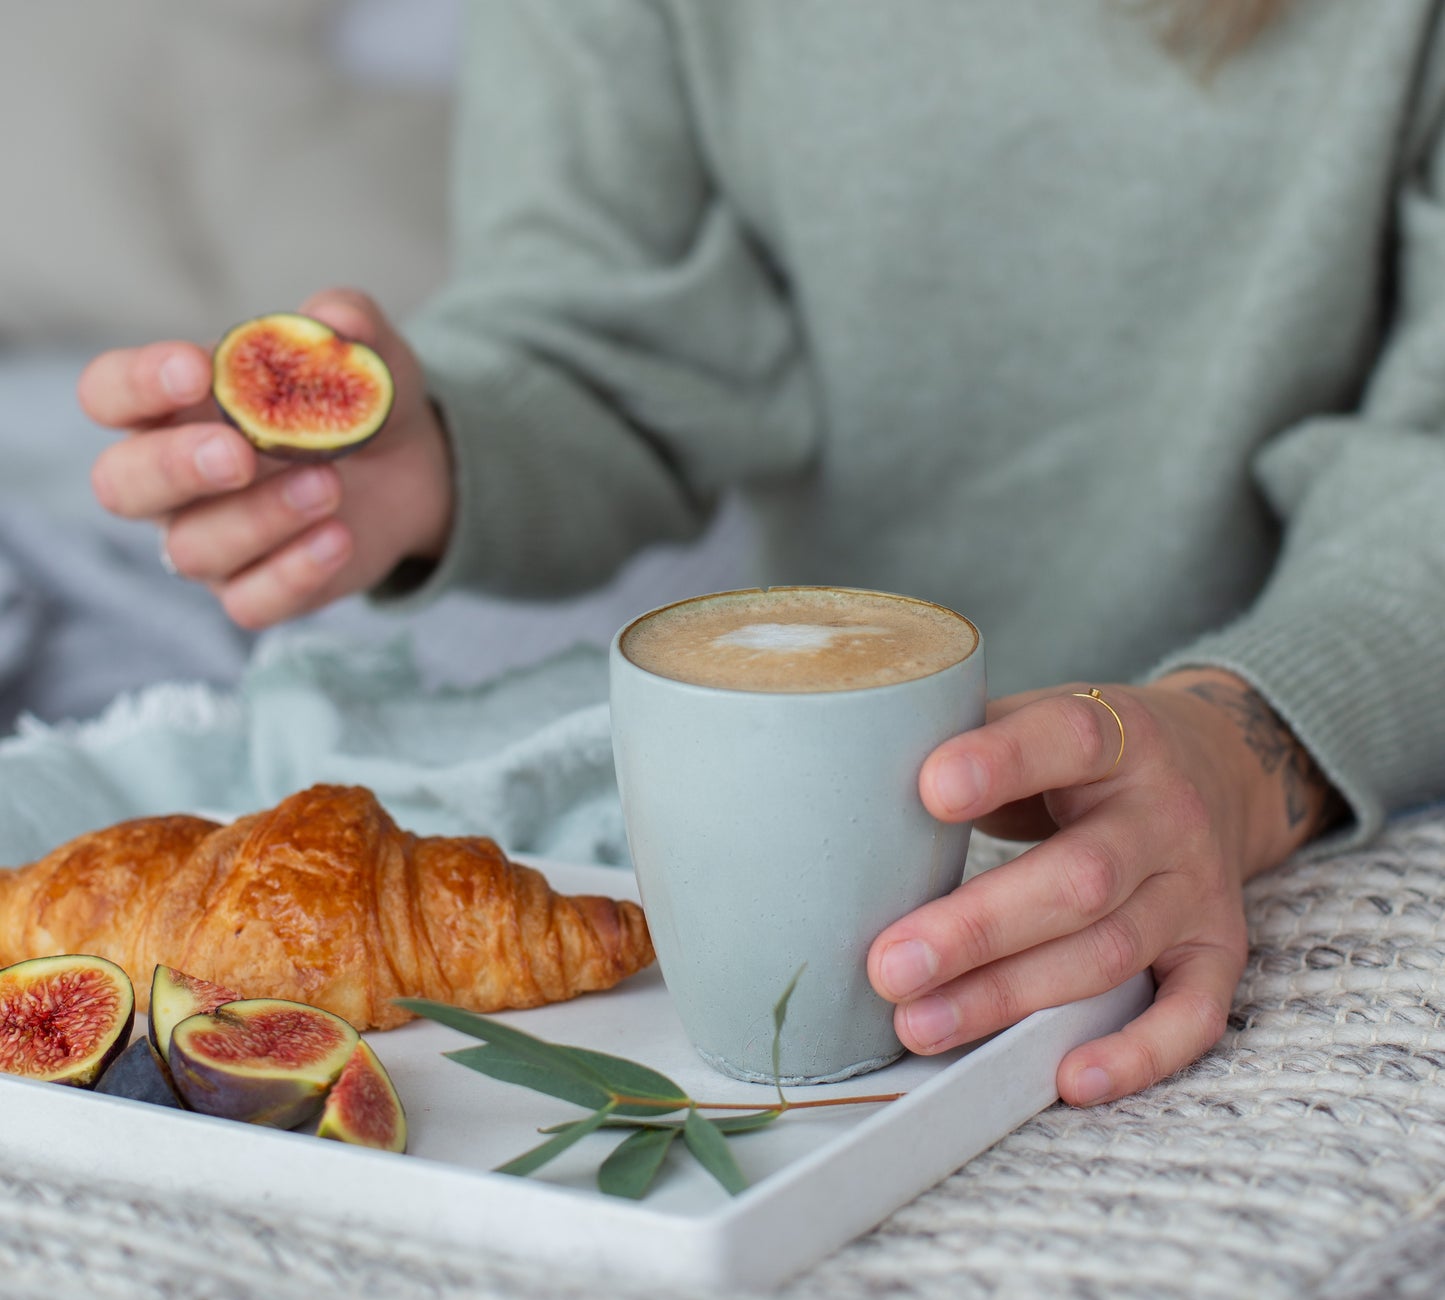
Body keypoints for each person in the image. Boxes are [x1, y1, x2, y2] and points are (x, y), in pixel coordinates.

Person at [77, 0, 1445, 1108]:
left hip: (1325, 785)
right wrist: (437, 456)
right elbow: (607, 327)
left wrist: (1235, 748)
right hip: (840, 837)